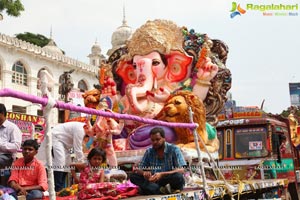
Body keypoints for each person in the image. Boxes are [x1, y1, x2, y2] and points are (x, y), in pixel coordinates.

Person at [36, 121, 95, 192]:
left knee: (67, 163)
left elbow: (74, 159)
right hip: (56, 138)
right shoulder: (81, 130)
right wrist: (83, 162)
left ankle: (61, 188)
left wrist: (82, 162)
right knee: (60, 162)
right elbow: (77, 148)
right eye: (94, 133)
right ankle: (57, 188)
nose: (94, 135)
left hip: (63, 144)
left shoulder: (84, 130)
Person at [130, 127, 186, 195]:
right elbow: (139, 169)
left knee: (178, 177)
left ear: (164, 138)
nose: (155, 142)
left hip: (168, 180)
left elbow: (182, 170)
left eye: (157, 139)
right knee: (133, 176)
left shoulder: (174, 149)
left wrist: (162, 174)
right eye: (152, 140)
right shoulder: (149, 151)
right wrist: (144, 173)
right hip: (154, 181)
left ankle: (154, 190)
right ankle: (161, 190)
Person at [0, 104, 22, 168]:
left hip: (7, 156)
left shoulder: (12, 128)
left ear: (2, 113)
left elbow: (16, 146)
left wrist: (0, 144)